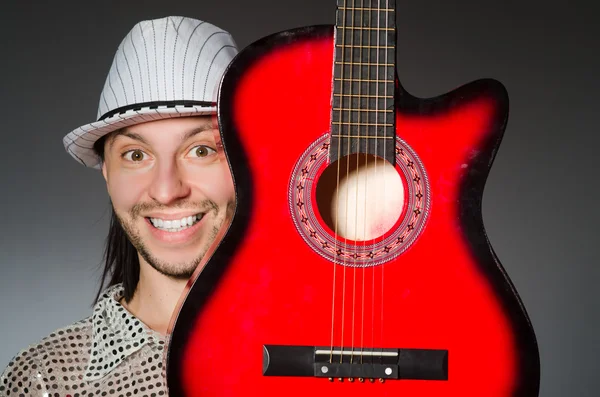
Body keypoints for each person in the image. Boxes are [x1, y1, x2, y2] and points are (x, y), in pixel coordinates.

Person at [0, 16, 238, 396]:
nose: (165, 190)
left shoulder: (325, 349)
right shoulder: (42, 379)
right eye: (136, 154)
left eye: (201, 149)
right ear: (107, 171)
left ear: (252, 161)